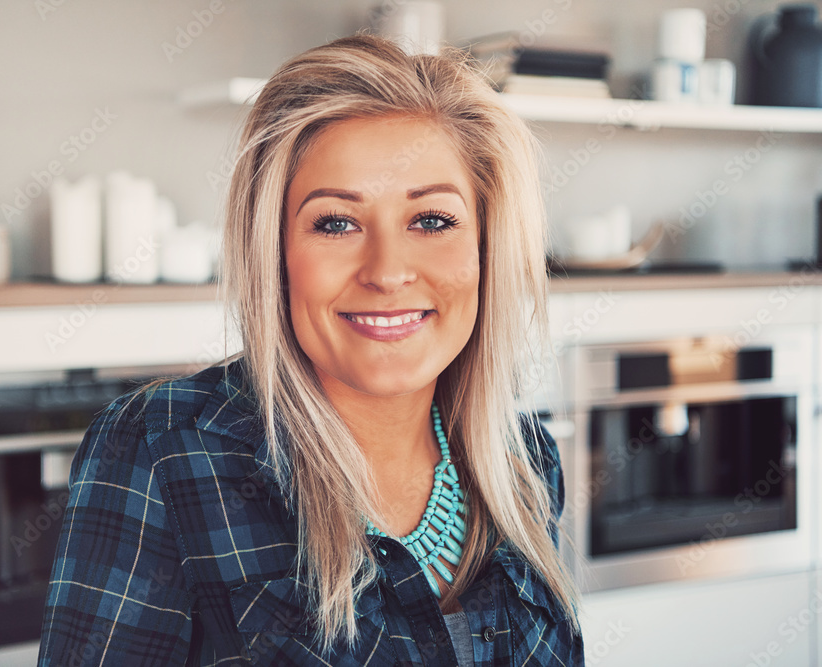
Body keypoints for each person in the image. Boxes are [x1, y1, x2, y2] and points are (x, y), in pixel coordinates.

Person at [39, 34, 583, 667]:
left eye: (432, 221)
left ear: (488, 250)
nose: (386, 271)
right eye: (336, 223)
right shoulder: (161, 451)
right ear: (276, 255)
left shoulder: (525, 460)